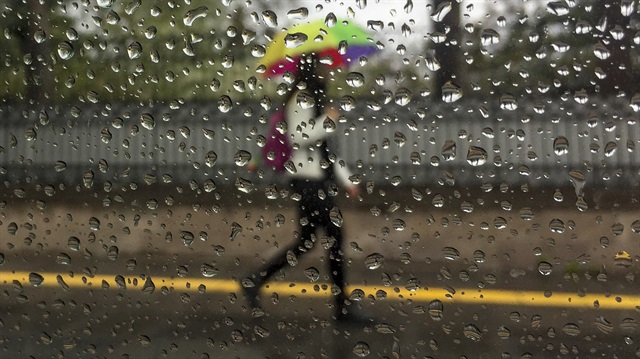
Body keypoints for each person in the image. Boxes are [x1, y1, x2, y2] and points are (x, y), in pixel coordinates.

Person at [243, 53, 362, 322]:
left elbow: (325, 151)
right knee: (335, 236)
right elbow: (299, 137)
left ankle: (255, 280)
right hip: (307, 181)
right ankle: (342, 308)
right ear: (310, 70)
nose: (327, 72)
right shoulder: (300, 99)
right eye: (321, 67)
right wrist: (328, 120)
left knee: (307, 241)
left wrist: (347, 180)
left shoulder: (317, 101)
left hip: (316, 179)